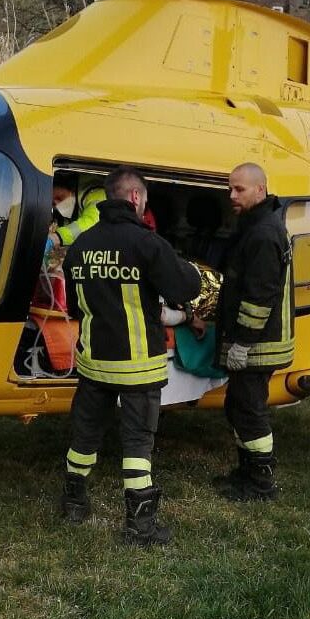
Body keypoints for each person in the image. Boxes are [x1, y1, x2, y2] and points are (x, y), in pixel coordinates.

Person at [61, 165, 202, 546]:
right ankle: (140, 524)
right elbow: (185, 286)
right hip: (138, 364)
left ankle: (74, 501)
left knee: (85, 435)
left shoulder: (80, 246)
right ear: (136, 198)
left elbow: (75, 306)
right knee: (138, 443)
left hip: (94, 362)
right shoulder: (147, 243)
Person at [216, 162, 295, 501]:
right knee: (238, 406)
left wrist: (243, 344)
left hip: (258, 345)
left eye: (239, 189)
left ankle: (261, 483)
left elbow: (259, 296)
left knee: (249, 410)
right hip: (254, 342)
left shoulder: (264, 233)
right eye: (230, 188)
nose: (232, 195)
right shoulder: (257, 226)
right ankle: (246, 472)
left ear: (260, 190)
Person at [44, 172, 106, 256]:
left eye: (59, 197)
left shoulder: (96, 193)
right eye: (53, 204)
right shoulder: (67, 216)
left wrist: (56, 238)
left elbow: (92, 223)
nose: (58, 204)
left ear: (72, 189)